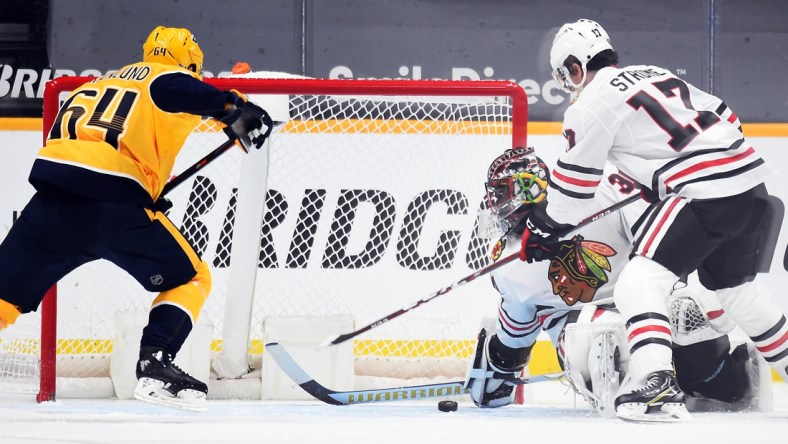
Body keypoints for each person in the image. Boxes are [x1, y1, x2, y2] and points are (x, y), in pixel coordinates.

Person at [520, 19, 787, 422]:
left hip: (708, 195)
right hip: (751, 184)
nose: (568, 85)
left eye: (565, 75)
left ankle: (657, 383)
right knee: (736, 291)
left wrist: (541, 229)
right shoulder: (655, 74)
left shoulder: (589, 104)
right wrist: (664, 171)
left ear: (576, 68)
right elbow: (727, 118)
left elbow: (572, 195)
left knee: (640, 280)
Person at [0, 26, 272, 411]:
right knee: (191, 277)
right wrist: (232, 108)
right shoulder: (166, 78)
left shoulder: (92, 86)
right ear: (189, 62)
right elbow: (182, 90)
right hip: (113, 205)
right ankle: (155, 362)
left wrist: (145, 191)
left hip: (51, 203)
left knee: (3, 297)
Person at [464, 147, 772, 416]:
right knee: (590, 338)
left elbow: (661, 244)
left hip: (640, 299)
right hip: (583, 326)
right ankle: (632, 390)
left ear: (526, 189)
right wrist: (497, 363)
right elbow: (515, 335)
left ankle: (730, 376)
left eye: (501, 193)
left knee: (682, 314)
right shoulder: (508, 261)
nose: (494, 204)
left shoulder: (601, 190)